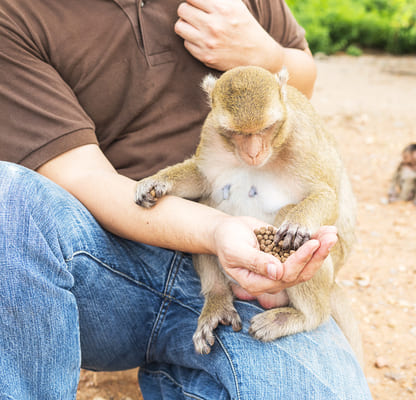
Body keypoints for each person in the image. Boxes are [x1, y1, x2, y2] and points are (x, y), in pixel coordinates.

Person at [0, 0, 372, 398]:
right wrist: (213, 231)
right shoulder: (16, 14)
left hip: (252, 266)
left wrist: (264, 55)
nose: (251, 150)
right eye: (237, 136)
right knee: (9, 194)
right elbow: (81, 176)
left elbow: (302, 82)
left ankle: (192, 374)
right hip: (103, 259)